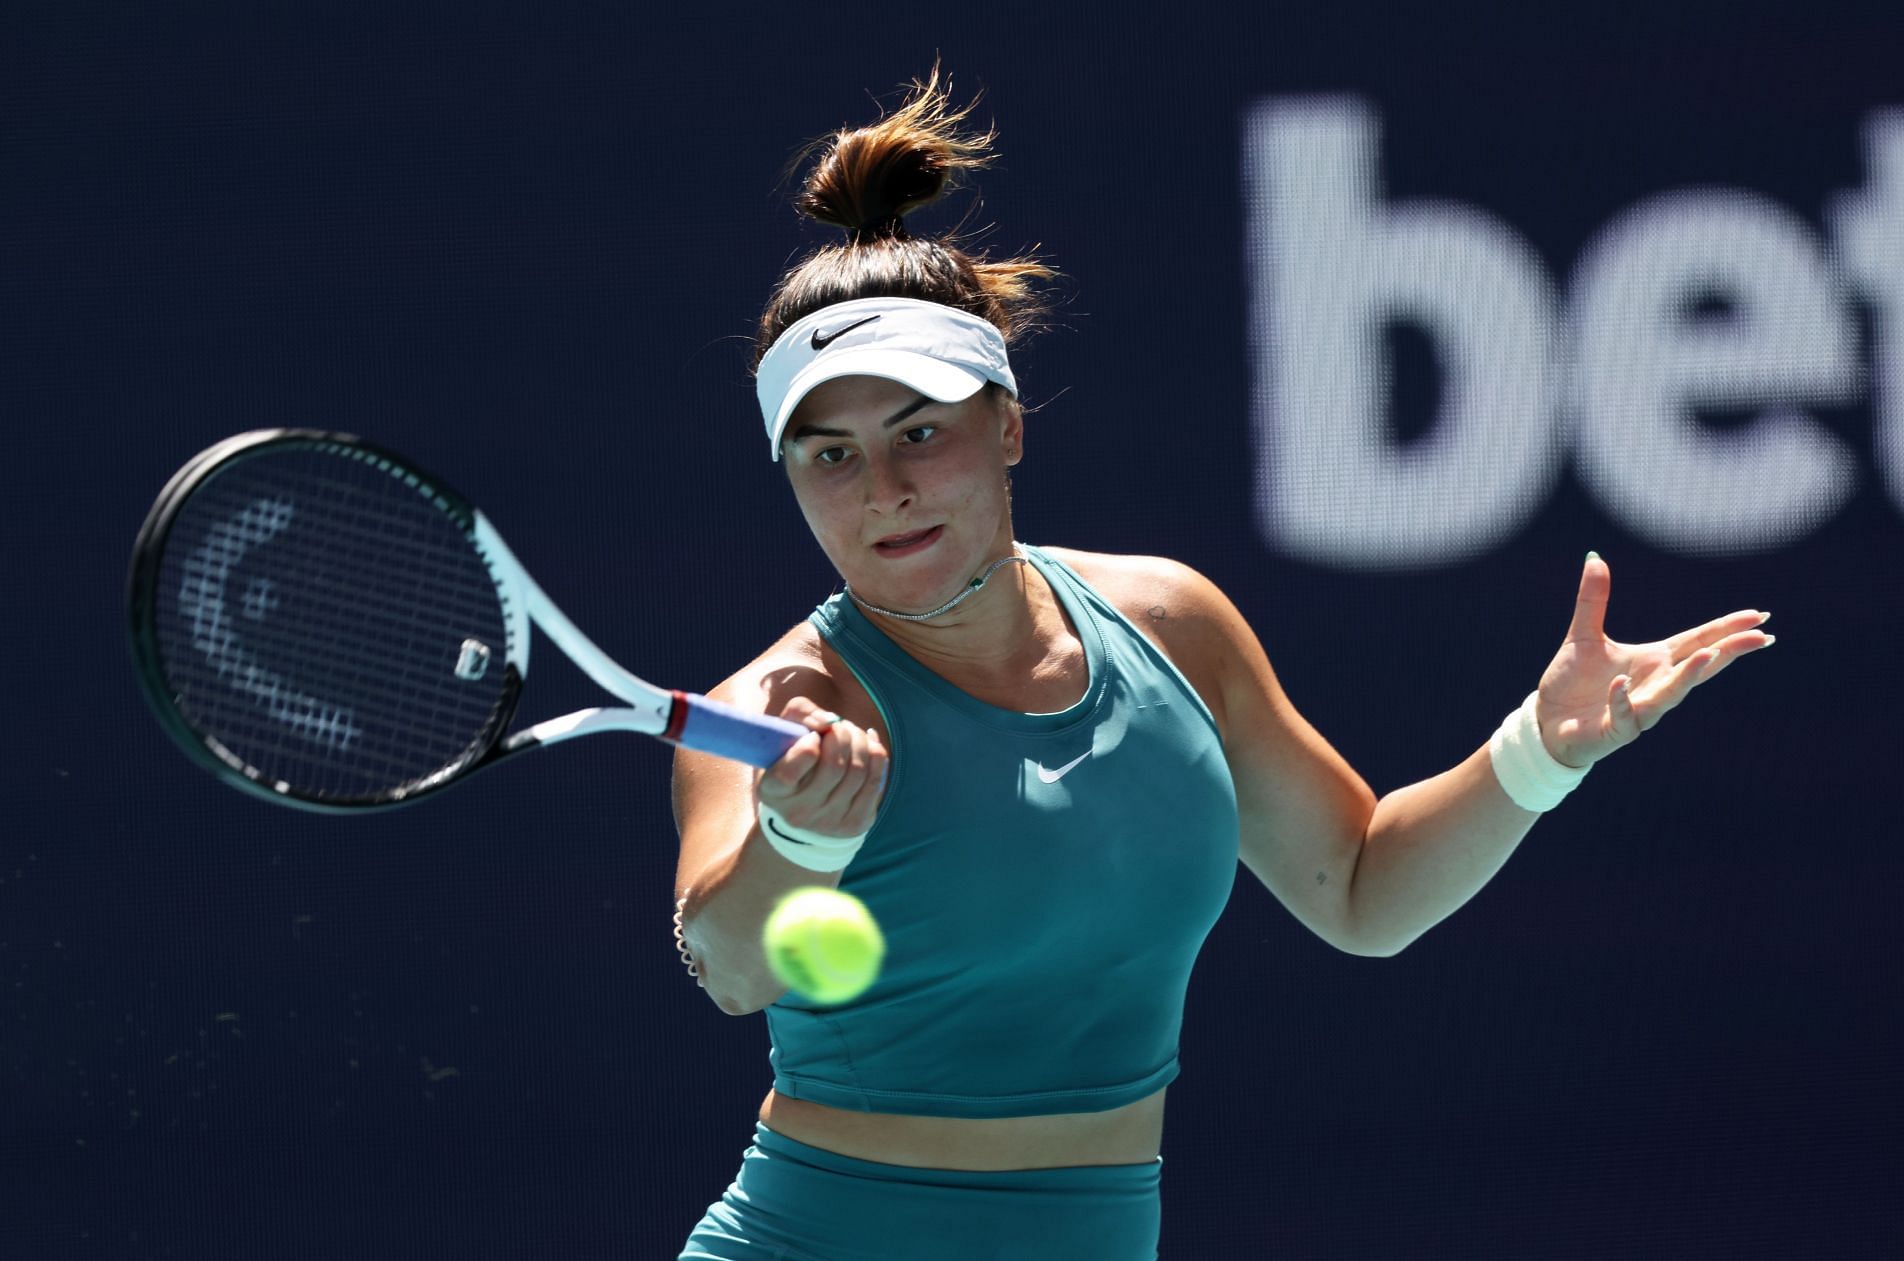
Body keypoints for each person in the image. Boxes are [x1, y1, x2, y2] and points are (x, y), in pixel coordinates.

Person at [669, 71, 1774, 1261]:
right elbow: (729, 965)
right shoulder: (774, 710)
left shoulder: (1173, 623)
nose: (881, 488)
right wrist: (802, 837)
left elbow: (1359, 887)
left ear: (1010, 425)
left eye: (919, 432)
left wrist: (1540, 753)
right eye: (829, 454)